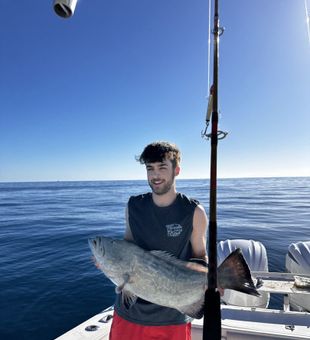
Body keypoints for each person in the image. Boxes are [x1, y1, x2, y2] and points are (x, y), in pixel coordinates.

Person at [109, 141, 208, 340]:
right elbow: (128, 246)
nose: (155, 175)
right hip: (129, 311)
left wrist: (211, 281)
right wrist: (109, 262)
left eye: (162, 168)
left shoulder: (194, 212)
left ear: (176, 170)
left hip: (172, 316)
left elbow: (200, 256)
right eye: (150, 168)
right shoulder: (133, 206)